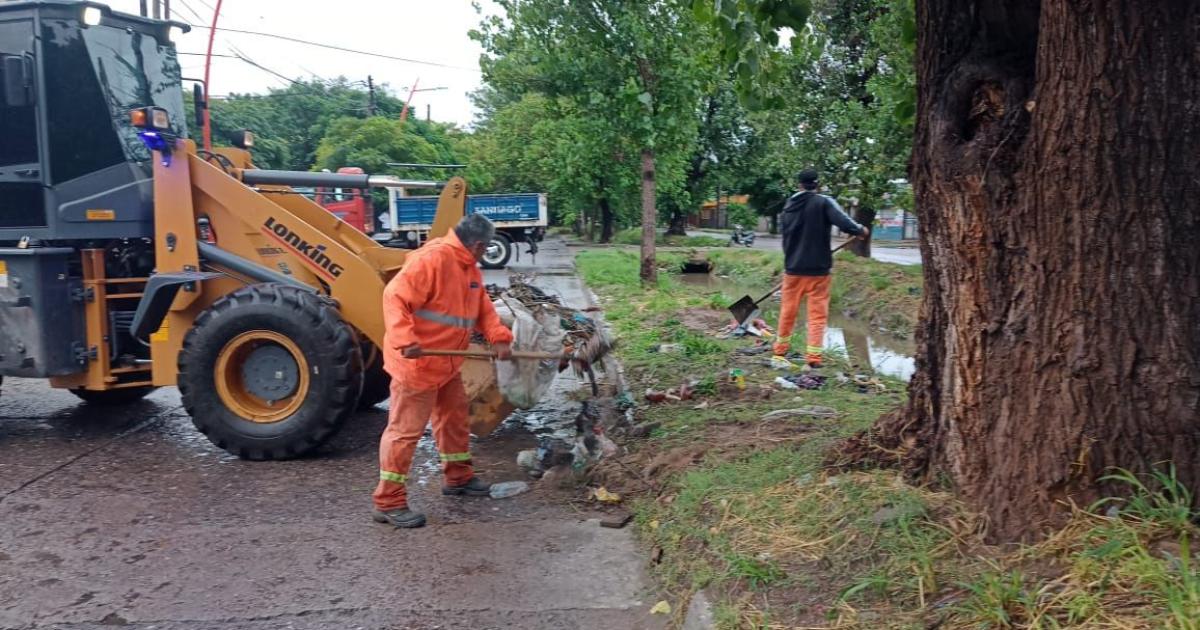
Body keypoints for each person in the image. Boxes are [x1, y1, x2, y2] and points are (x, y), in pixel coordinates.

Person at [372, 213, 514, 529]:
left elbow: (483, 310)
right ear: (477, 245)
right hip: (417, 365)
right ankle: (388, 502)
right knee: (405, 432)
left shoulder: (470, 268)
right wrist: (405, 339)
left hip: (448, 363)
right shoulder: (433, 259)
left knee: (454, 419)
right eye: (487, 247)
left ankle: (458, 478)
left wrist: (500, 337)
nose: (486, 251)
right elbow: (394, 297)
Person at [773, 169, 869, 367]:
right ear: (817, 184)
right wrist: (860, 230)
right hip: (818, 271)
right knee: (817, 315)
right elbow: (845, 223)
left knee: (787, 311)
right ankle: (814, 358)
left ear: (799, 184)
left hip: (793, 270)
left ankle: (780, 351)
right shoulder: (823, 202)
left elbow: (786, 237)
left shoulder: (788, 206)